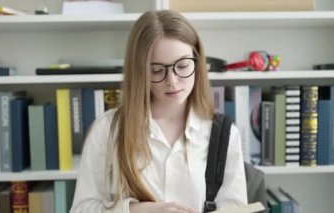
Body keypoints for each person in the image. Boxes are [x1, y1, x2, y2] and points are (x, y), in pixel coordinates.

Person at [70, 10, 247, 213]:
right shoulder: (107, 130)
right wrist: (140, 210)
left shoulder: (224, 134)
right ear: (140, 72)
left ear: (198, 62)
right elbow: (81, 209)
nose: (172, 81)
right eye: (157, 70)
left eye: (182, 66)